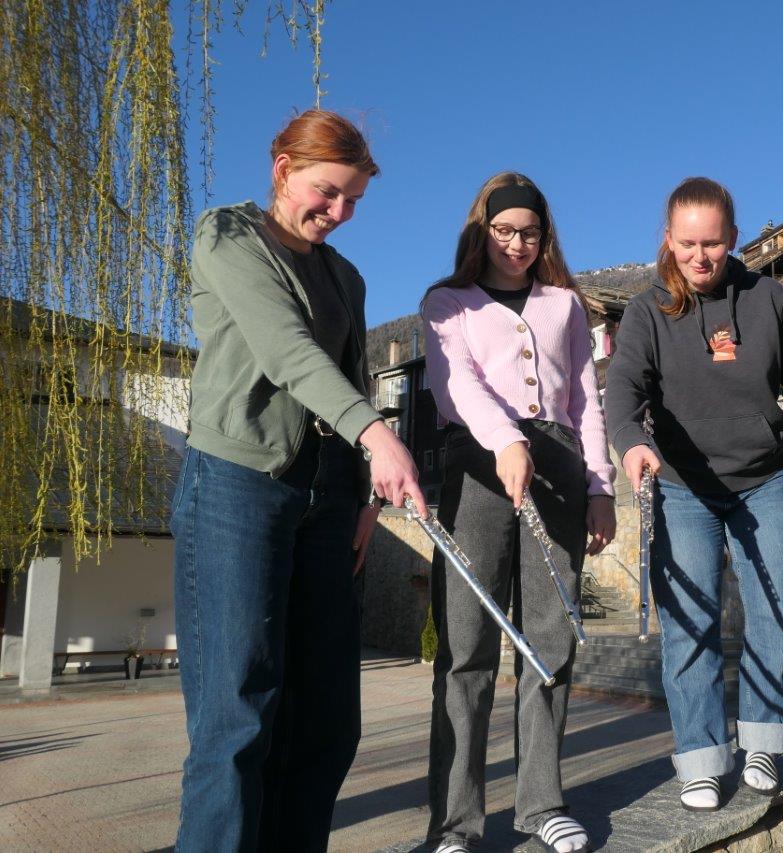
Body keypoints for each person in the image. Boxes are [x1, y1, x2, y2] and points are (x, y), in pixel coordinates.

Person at [171, 109, 424, 851]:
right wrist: (379, 435)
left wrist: (367, 493)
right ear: (283, 169)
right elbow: (286, 351)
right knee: (238, 717)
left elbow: (349, 376)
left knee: (326, 721)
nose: (338, 212)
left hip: (331, 496)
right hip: (238, 485)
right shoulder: (227, 235)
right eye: (327, 191)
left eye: (354, 200)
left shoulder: (346, 276)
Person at [605, 177, 783, 812]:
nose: (699, 257)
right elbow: (622, 391)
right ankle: (702, 760)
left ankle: (763, 741)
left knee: (775, 612)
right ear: (668, 240)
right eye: (687, 244)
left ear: (733, 238)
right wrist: (631, 442)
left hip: (764, 479)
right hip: (683, 488)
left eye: (711, 243)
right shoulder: (647, 312)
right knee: (690, 626)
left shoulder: (770, 299)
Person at [421, 172, 616, 853]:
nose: (516, 244)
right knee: (466, 648)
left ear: (544, 236)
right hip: (477, 466)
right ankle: (454, 824)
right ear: (482, 230)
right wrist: (505, 440)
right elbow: (454, 382)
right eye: (504, 230)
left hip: (559, 468)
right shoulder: (447, 303)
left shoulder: (565, 306)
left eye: (529, 232)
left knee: (549, 640)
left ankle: (541, 803)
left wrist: (600, 486)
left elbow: (585, 402)